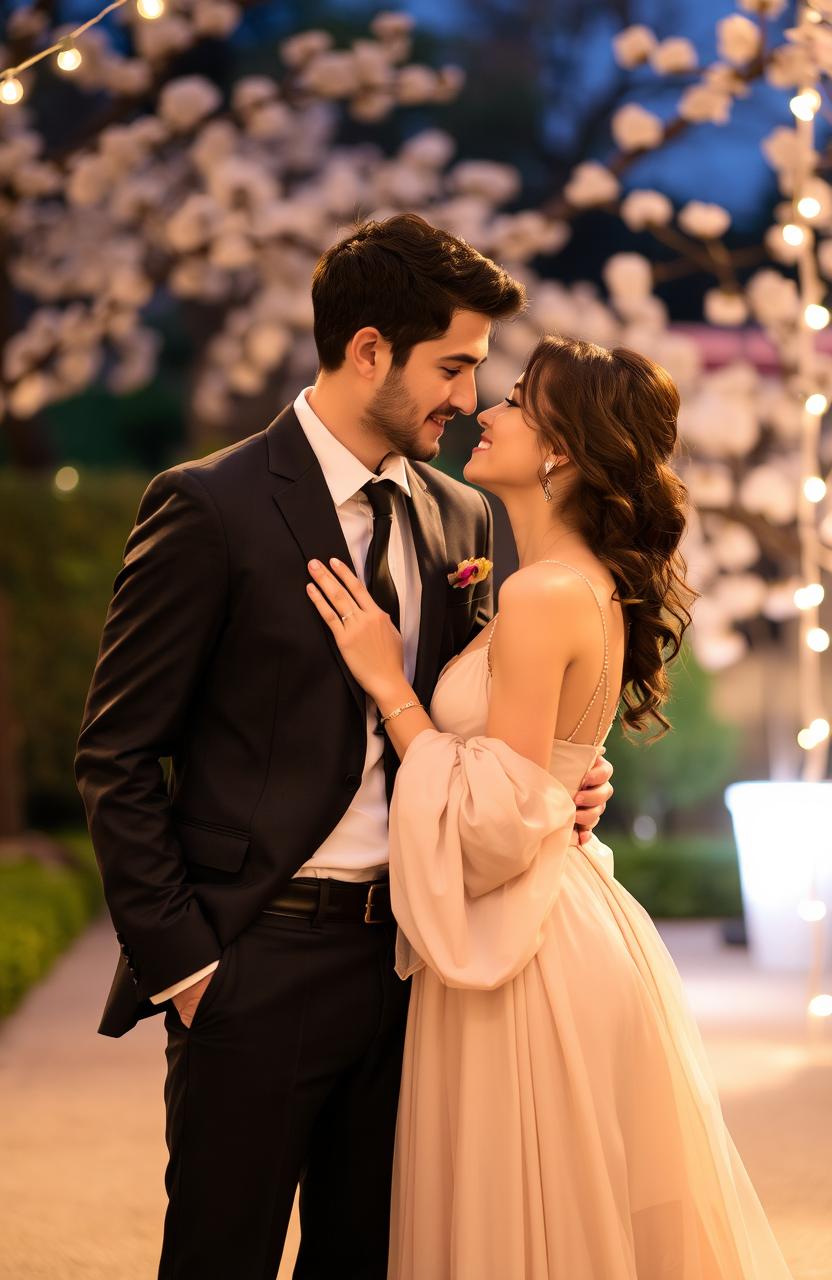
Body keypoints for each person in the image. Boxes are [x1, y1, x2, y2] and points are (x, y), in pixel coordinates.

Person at [74, 216, 614, 1280]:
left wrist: (560, 779)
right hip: (256, 962)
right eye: (452, 365)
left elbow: (479, 727)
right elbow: (117, 753)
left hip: (417, 965)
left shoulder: (464, 518)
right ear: (368, 349)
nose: (467, 395)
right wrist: (189, 967)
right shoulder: (209, 504)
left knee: (372, 1259)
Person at [307, 334, 795, 1279]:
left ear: (562, 446)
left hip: (524, 948)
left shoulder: (538, 597)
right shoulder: (577, 586)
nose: (485, 409)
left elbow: (492, 823)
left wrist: (387, 685)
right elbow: (540, 778)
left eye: (518, 401)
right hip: (562, 914)